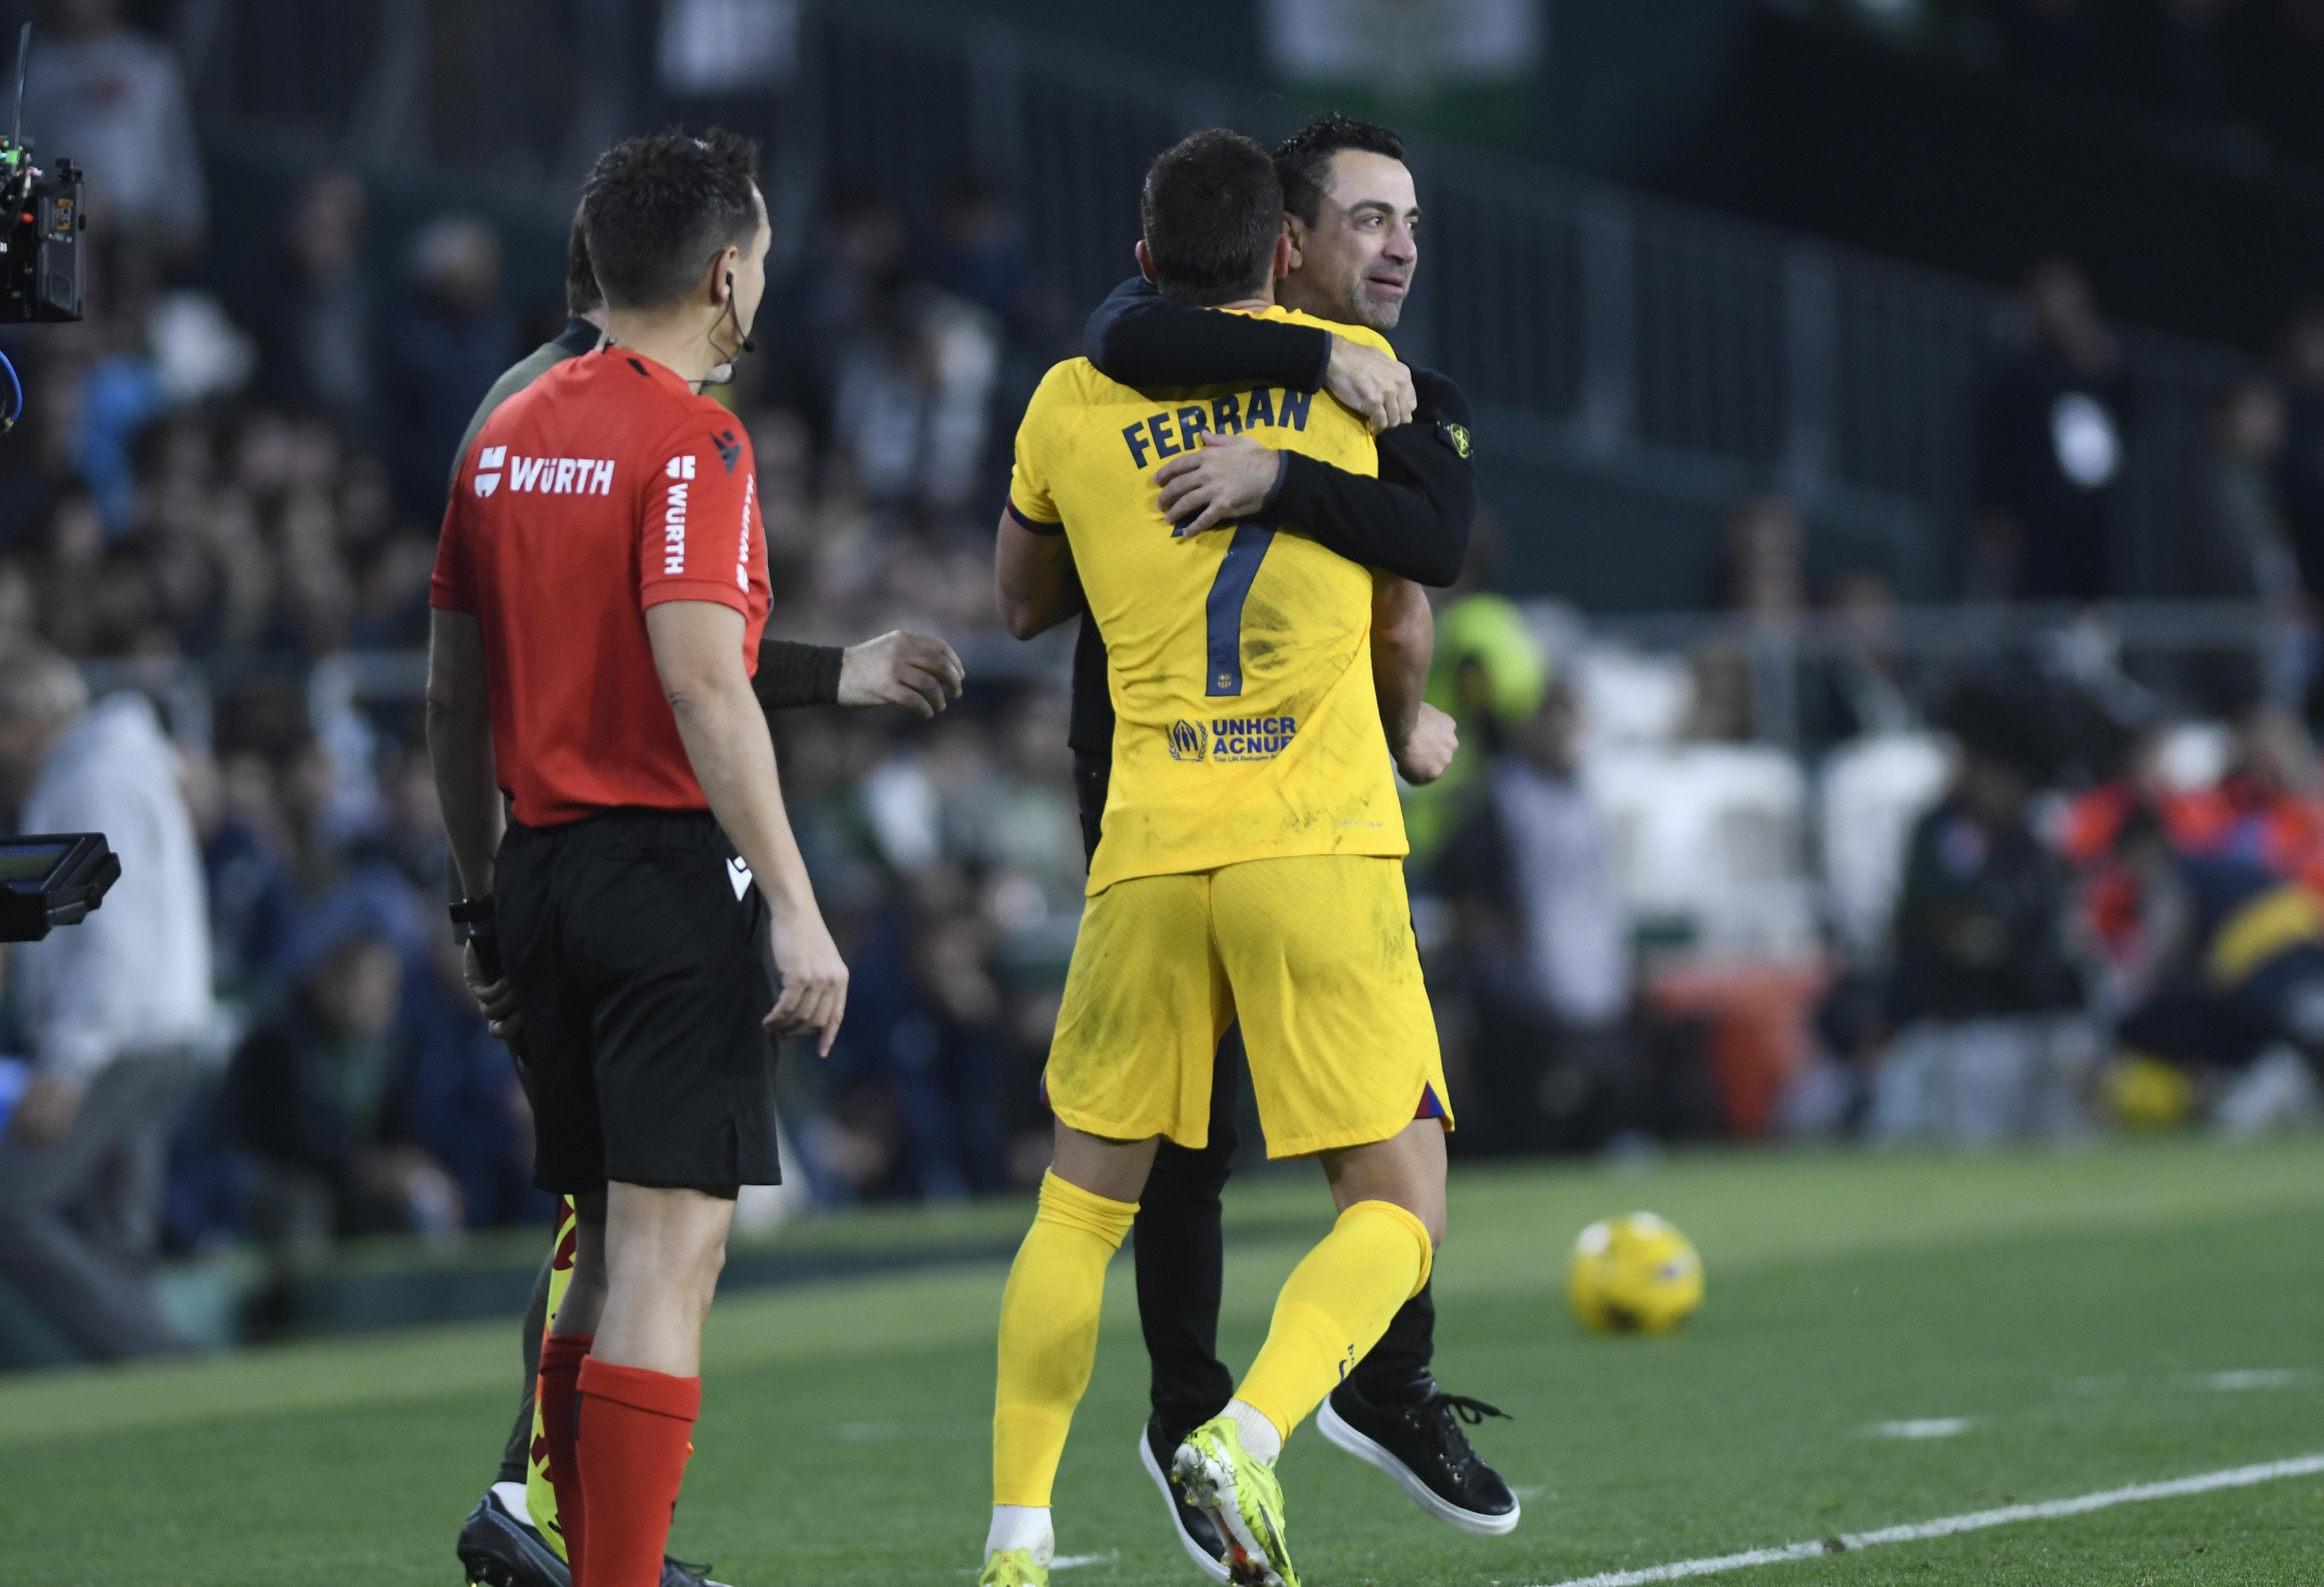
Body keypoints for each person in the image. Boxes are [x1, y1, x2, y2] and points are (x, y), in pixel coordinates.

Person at [449, 203, 965, 1587]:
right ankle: (603, 1555)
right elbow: (686, 673)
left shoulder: (502, 429)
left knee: (605, 1241)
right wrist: (796, 902)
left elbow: (469, 680)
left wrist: (479, 896)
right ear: (722, 274)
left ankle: (552, 1523)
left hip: (540, 861)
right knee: (667, 1263)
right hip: (661, 871)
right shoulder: (692, 434)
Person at [981, 128, 1452, 1587]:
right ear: (1279, 256)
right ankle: (1245, 1430)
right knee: (1398, 1198)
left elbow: (1015, 600)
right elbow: (1409, 603)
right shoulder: (1359, 391)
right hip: (1310, 837)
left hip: (1145, 840)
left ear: (1144, 261)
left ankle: (1014, 1539)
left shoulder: (1069, 398)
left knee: (1079, 1204)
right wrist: (1403, 718)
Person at [1076, 111, 1516, 1568]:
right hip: (1152, 781)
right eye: (1369, 220)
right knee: (1187, 1143)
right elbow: (1122, 332)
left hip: (1304, 799)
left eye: (1411, 225)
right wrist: (1301, 364)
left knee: (1375, 1140)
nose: (1396, 249)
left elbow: (1430, 541)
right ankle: (1198, 1415)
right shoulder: (1180, 350)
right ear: (1289, 238)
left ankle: (1373, 1384)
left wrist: (1280, 480)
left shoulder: (1411, 394)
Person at [0, 645, 214, 1359]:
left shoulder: (89, 777)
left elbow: (112, 939)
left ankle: (165, 1363)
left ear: (25, 722)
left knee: (11, 1208)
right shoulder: (116, 764)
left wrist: (69, 1060)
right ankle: (160, 1411)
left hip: (122, 1038)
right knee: (115, 1239)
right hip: (153, 1029)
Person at [1970, 259, 2135, 604]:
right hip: (2035, 531)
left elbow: (2128, 415)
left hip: (2092, 528)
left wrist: (2098, 357)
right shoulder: (2019, 373)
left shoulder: (2096, 370)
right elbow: (2000, 452)